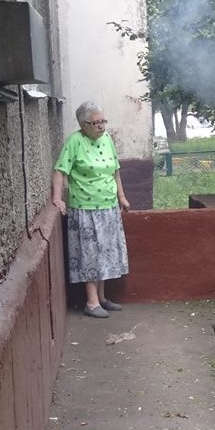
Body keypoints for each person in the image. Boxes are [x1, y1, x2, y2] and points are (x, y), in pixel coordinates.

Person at [52, 101, 130, 319]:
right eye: (96, 123)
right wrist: (57, 198)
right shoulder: (75, 141)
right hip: (85, 210)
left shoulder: (107, 140)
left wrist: (121, 197)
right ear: (82, 124)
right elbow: (60, 170)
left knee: (105, 253)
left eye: (103, 121)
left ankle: (102, 298)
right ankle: (91, 301)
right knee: (91, 255)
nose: (101, 126)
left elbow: (115, 171)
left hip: (108, 208)